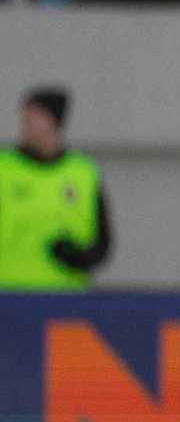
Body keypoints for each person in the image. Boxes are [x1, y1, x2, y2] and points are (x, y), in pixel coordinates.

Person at [0, 88, 113, 290]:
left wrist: (78, 257)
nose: (26, 126)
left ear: (53, 121)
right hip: (9, 296)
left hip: (66, 297)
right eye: (25, 119)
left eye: (34, 118)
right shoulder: (4, 169)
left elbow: (102, 241)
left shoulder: (83, 173)